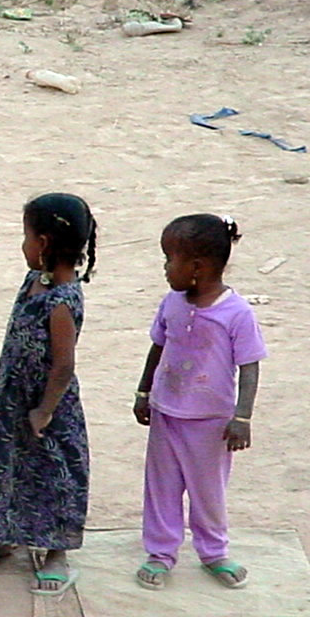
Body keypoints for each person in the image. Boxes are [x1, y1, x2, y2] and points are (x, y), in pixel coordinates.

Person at [0, 192, 97, 597]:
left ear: (43, 243)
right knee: (7, 468)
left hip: (47, 406)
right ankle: (4, 535)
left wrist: (44, 410)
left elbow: (63, 365)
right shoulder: (35, 281)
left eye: (26, 236)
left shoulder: (61, 300)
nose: (23, 245)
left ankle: (56, 553)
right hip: (12, 400)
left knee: (54, 475)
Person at [133, 214, 264, 591]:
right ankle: (161, 552)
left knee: (208, 490)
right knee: (161, 487)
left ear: (197, 267)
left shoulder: (236, 313)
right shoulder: (171, 303)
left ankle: (213, 551)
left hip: (211, 422)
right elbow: (158, 346)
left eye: (168, 259)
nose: (164, 268)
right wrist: (144, 392)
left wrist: (242, 417)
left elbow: (250, 365)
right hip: (166, 413)